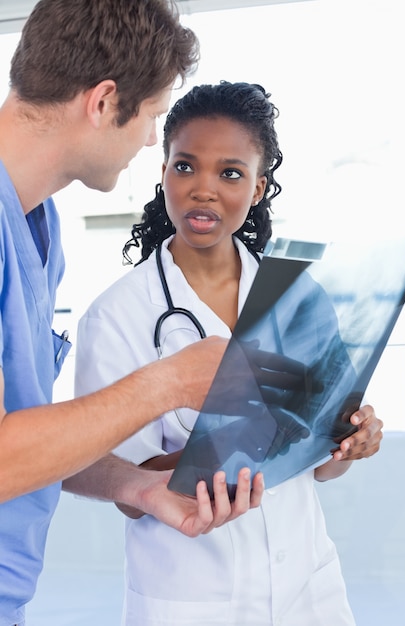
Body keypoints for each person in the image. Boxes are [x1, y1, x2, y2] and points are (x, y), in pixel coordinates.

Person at [0, 4, 289, 624]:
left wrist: (138, 486)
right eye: (155, 116)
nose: (150, 143)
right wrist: (171, 382)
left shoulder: (35, 224)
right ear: (104, 103)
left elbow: (34, 434)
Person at [72, 81, 384, 625]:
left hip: (309, 589)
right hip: (192, 594)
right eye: (185, 166)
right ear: (163, 171)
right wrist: (236, 441)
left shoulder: (298, 294)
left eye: (231, 173)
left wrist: (347, 441)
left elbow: (319, 468)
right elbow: (123, 486)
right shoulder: (117, 315)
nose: (203, 189)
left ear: (260, 187)